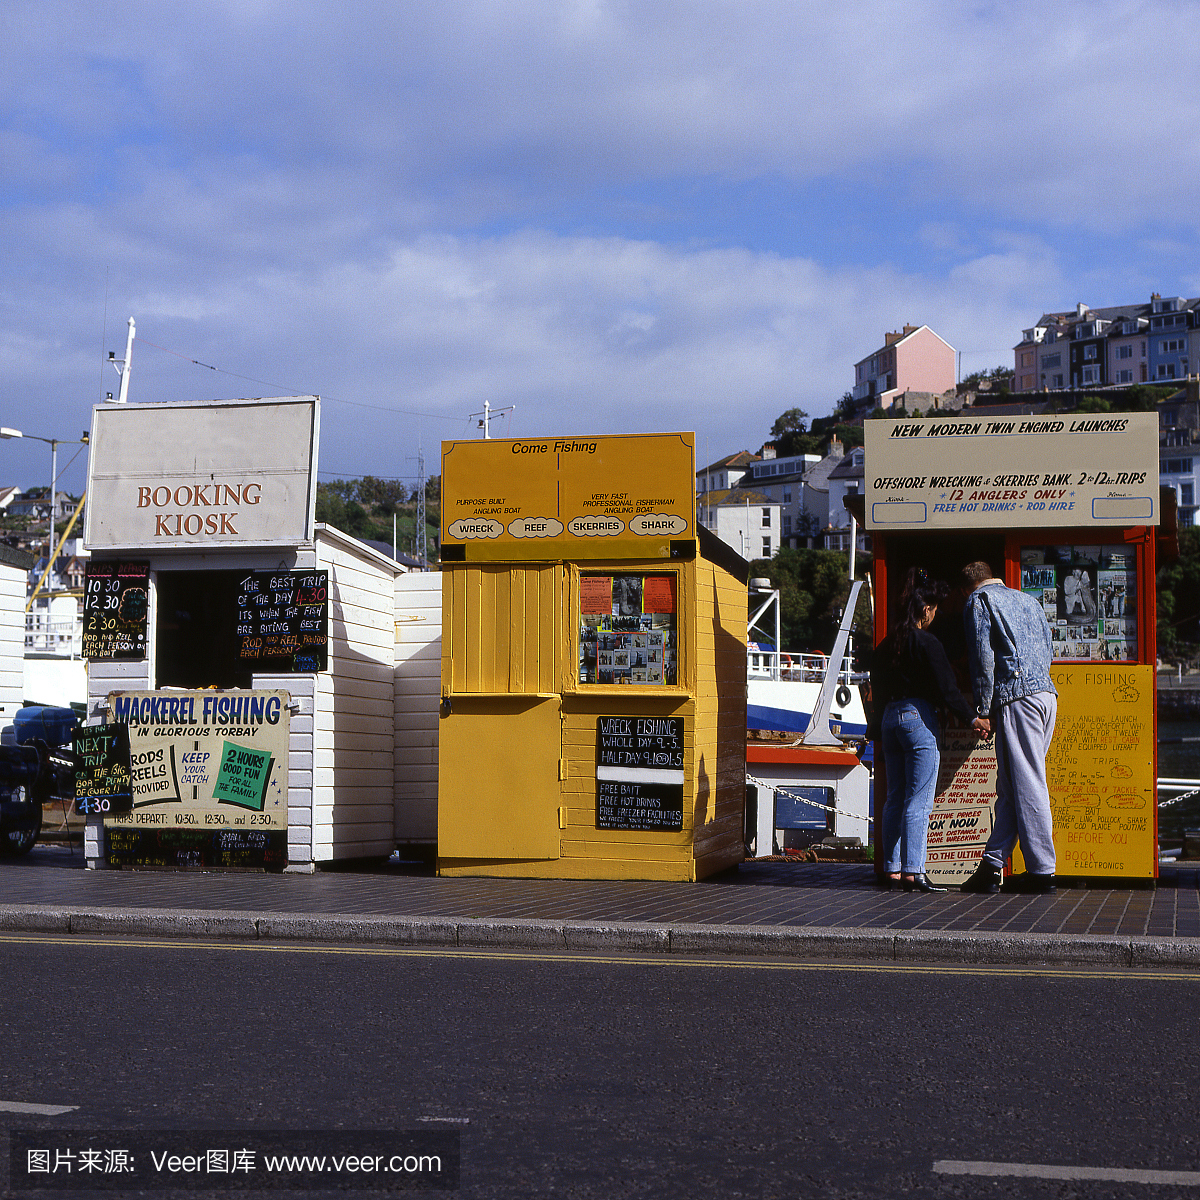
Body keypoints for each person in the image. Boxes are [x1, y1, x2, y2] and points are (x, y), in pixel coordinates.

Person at [871, 569, 989, 894]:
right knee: (919, 800)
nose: (935, 614)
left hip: (889, 719)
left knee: (894, 797)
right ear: (926, 610)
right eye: (935, 609)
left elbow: (875, 692)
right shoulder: (927, 642)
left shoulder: (886, 645)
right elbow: (948, 689)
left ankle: (892, 870)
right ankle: (914, 872)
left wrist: (876, 735)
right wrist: (973, 719)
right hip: (916, 718)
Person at [959, 561, 1059, 895]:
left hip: (1017, 698)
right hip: (1046, 695)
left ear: (968, 587)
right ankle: (992, 864)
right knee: (1014, 784)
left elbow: (983, 661)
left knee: (1028, 782)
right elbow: (1047, 647)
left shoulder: (980, 602)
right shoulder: (1029, 600)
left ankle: (1042, 870)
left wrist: (982, 709)